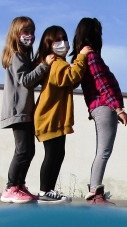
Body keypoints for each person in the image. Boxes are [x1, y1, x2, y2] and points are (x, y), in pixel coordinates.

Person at [70, 18, 127, 206]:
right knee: (103, 151)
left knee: (103, 151)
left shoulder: (84, 57)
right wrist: (118, 110)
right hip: (104, 107)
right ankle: (95, 194)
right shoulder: (92, 57)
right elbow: (103, 85)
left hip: (101, 107)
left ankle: (95, 192)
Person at [33, 26, 92, 204]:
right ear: (48, 44)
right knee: (52, 154)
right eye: (57, 39)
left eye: (64, 38)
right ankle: (44, 191)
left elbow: (69, 82)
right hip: (49, 118)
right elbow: (71, 77)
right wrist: (81, 57)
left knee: (58, 154)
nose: (63, 43)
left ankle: (49, 191)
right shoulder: (56, 63)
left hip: (54, 118)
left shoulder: (59, 63)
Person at [0, 16, 55, 204]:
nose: (30, 35)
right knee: (23, 150)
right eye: (26, 31)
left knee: (29, 150)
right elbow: (25, 80)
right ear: (16, 33)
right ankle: (11, 187)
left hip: (25, 111)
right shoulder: (16, 55)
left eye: (32, 32)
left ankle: (19, 184)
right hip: (19, 111)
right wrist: (44, 65)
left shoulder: (23, 56)